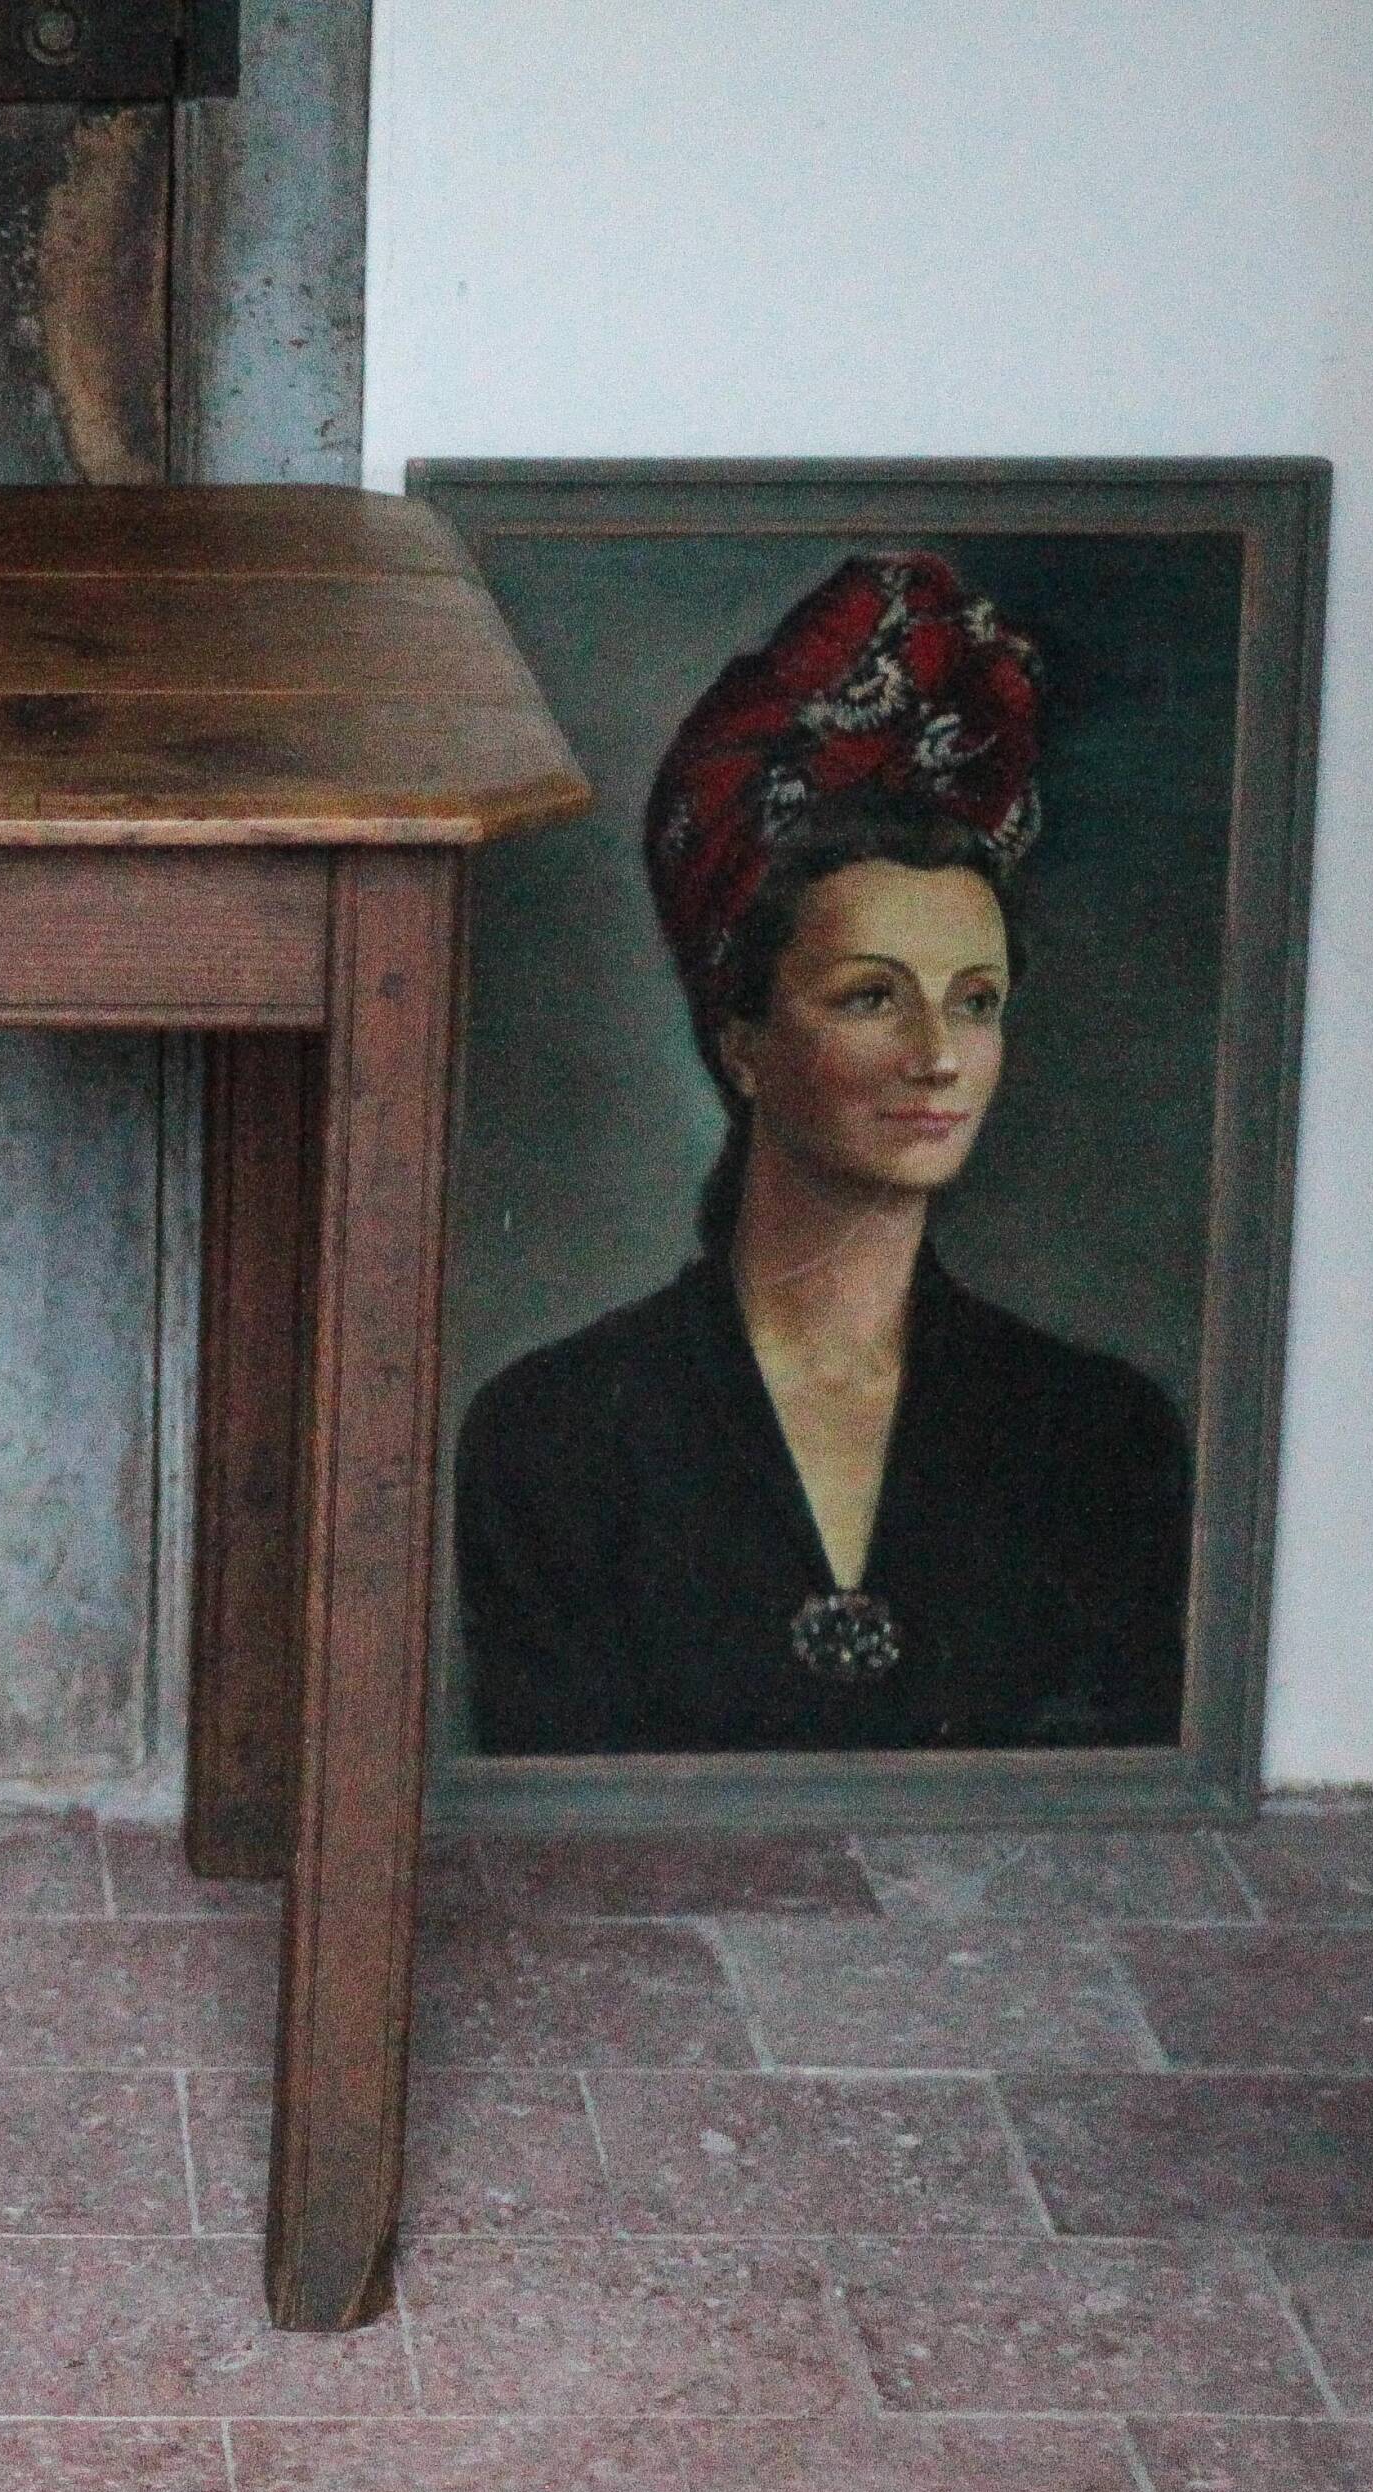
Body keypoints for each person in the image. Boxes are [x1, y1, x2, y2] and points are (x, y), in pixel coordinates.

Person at [456, 552, 1190, 1755]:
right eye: (868, 999)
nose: (939, 1057)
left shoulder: (1100, 1435)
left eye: (975, 1002)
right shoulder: (556, 1430)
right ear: (741, 1037)